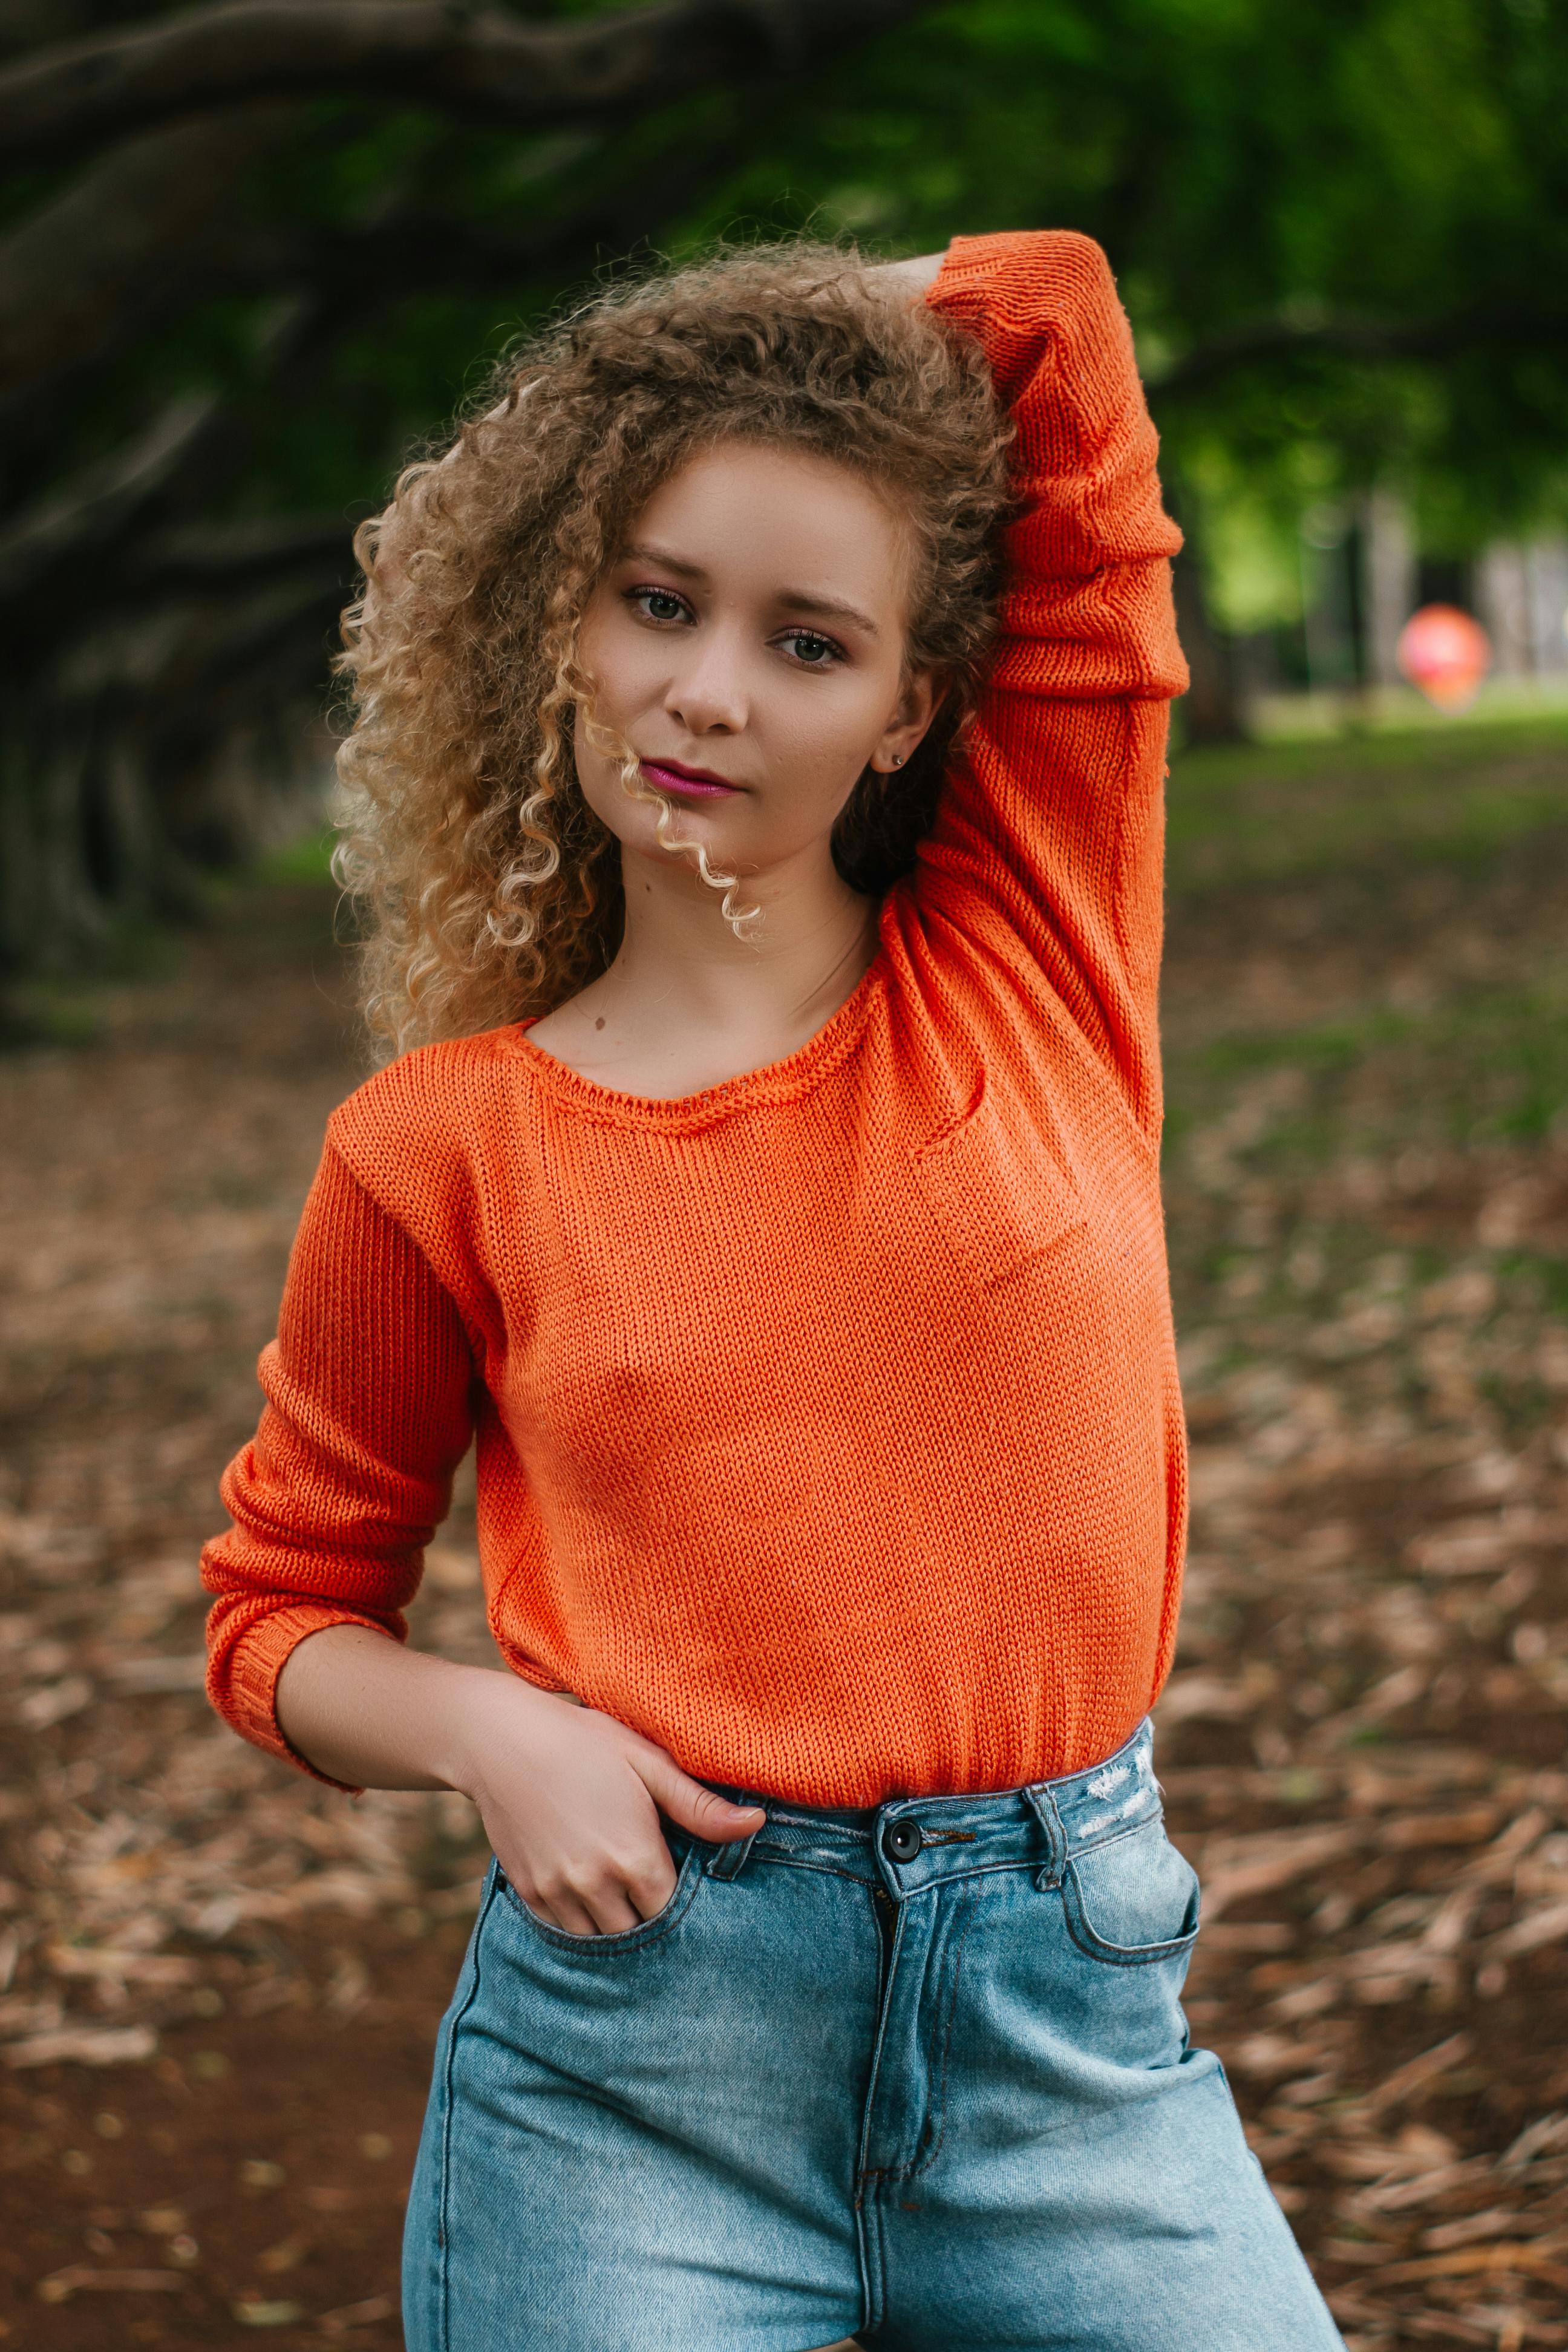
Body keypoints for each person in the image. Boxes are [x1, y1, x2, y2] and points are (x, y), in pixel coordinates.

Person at [201, 231, 1344, 2351]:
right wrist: (491, 1735)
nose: (708, 691)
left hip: (1071, 2047)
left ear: (909, 708)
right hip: (637, 2069)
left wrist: (690, 362)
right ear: (566, 621)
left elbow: (1055, 312)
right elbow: (279, 1618)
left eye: (807, 641)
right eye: (657, 601)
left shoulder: (1034, 955)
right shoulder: (435, 1147)